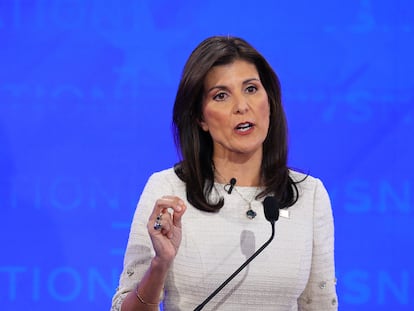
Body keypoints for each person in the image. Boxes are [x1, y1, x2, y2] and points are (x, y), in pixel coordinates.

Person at [110, 35, 338, 311]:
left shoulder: (308, 195)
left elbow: (321, 305)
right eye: (221, 95)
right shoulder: (167, 190)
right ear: (200, 118)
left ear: (270, 100)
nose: (242, 106)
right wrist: (160, 264)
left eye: (251, 89)